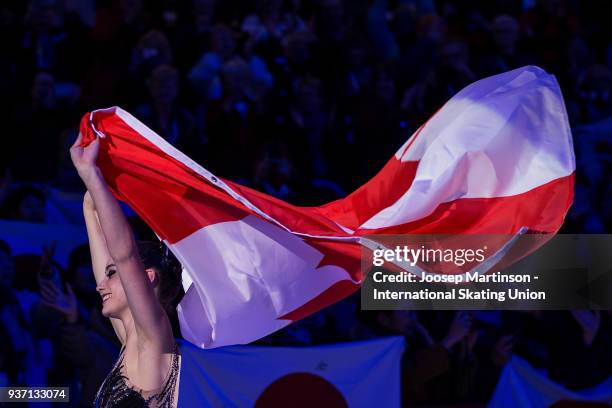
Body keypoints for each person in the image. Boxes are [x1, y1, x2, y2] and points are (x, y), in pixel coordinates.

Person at [69, 132, 183, 407]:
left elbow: (125, 256)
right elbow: (102, 238)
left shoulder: (154, 335)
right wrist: (92, 192)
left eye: (112, 274)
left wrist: (93, 176)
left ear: (147, 278)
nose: (99, 285)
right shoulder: (131, 340)